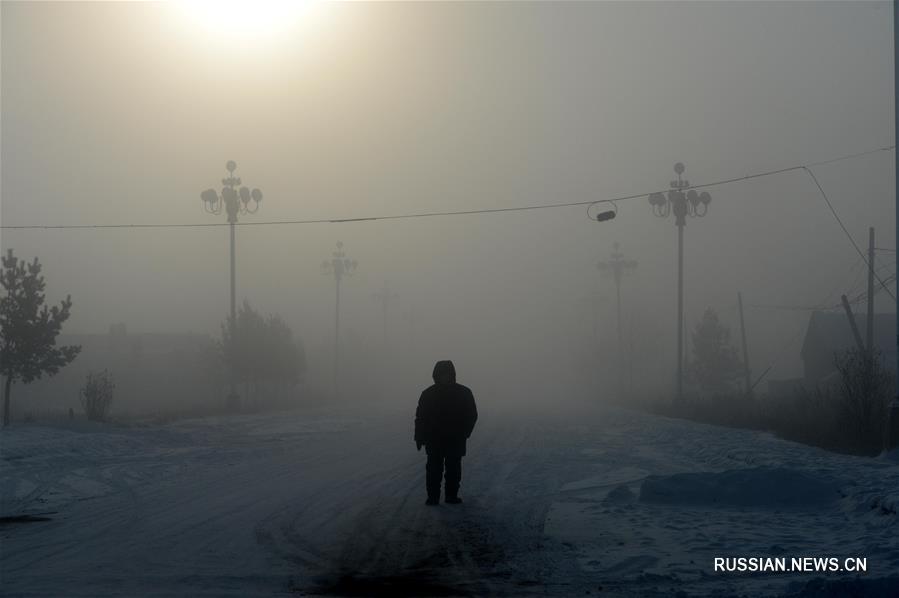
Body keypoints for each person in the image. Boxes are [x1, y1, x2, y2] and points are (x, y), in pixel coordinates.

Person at [414, 360, 478, 505]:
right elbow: (420, 417)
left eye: (447, 374)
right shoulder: (427, 394)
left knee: (453, 469)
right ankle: (433, 497)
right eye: (442, 374)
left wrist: (465, 433)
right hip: (434, 439)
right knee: (433, 470)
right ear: (436, 375)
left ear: (453, 375)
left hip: (455, 439)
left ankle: (451, 495)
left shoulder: (464, 393)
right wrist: (419, 437)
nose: (445, 377)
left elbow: (472, 415)